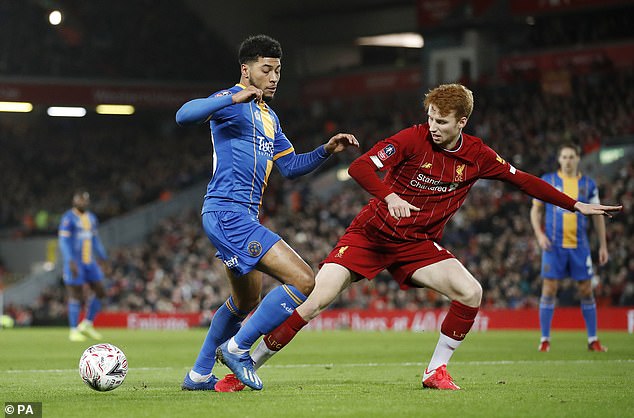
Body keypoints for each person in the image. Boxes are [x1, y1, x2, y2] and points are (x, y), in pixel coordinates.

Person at [214, 83, 622, 392]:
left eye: (442, 122)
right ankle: (246, 366)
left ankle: (435, 370)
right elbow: (359, 167)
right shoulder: (411, 138)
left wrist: (575, 205)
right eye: (430, 118)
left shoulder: (477, 155)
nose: (434, 127)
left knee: (471, 291)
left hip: (416, 244)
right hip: (370, 234)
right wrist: (389, 195)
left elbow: (524, 181)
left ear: (462, 122)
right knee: (316, 300)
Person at [175, 34, 358, 391]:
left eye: (278, 70)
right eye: (267, 69)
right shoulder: (229, 102)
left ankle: (198, 374)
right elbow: (183, 116)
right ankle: (238, 349)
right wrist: (232, 95)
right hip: (228, 211)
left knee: (245, 300)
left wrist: (325, 150)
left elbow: (290, 167)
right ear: (246, 70)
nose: (274, 77)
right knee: (305, 281)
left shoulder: (270, 117)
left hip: (239, 217)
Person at [531, 143, 609, 352]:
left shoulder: (588, 185)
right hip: (553, 247)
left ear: (578, 159)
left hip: (579, 246)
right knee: (549, 289)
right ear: (559, 159)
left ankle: (593, 339)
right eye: (564, 157)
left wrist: (603, 245)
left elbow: (599, 217)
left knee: (586, 290)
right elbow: (535, 210)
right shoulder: (548, 181)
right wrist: (539, 235)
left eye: (571, 157)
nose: (567, 161)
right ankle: (544, 339)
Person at [58, 190, 108, 342]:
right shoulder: (68, 218)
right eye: (79, 200)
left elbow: (95, 240)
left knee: (100, 291)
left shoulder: (91, 218)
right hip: (75, 262)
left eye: (85, 200)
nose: (82, 203)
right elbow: (63, 241)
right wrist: (69, 260)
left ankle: (87, 324)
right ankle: (73, 330)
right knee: (76, 295)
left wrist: (103, 257)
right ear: (74, 201)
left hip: (89, 262)